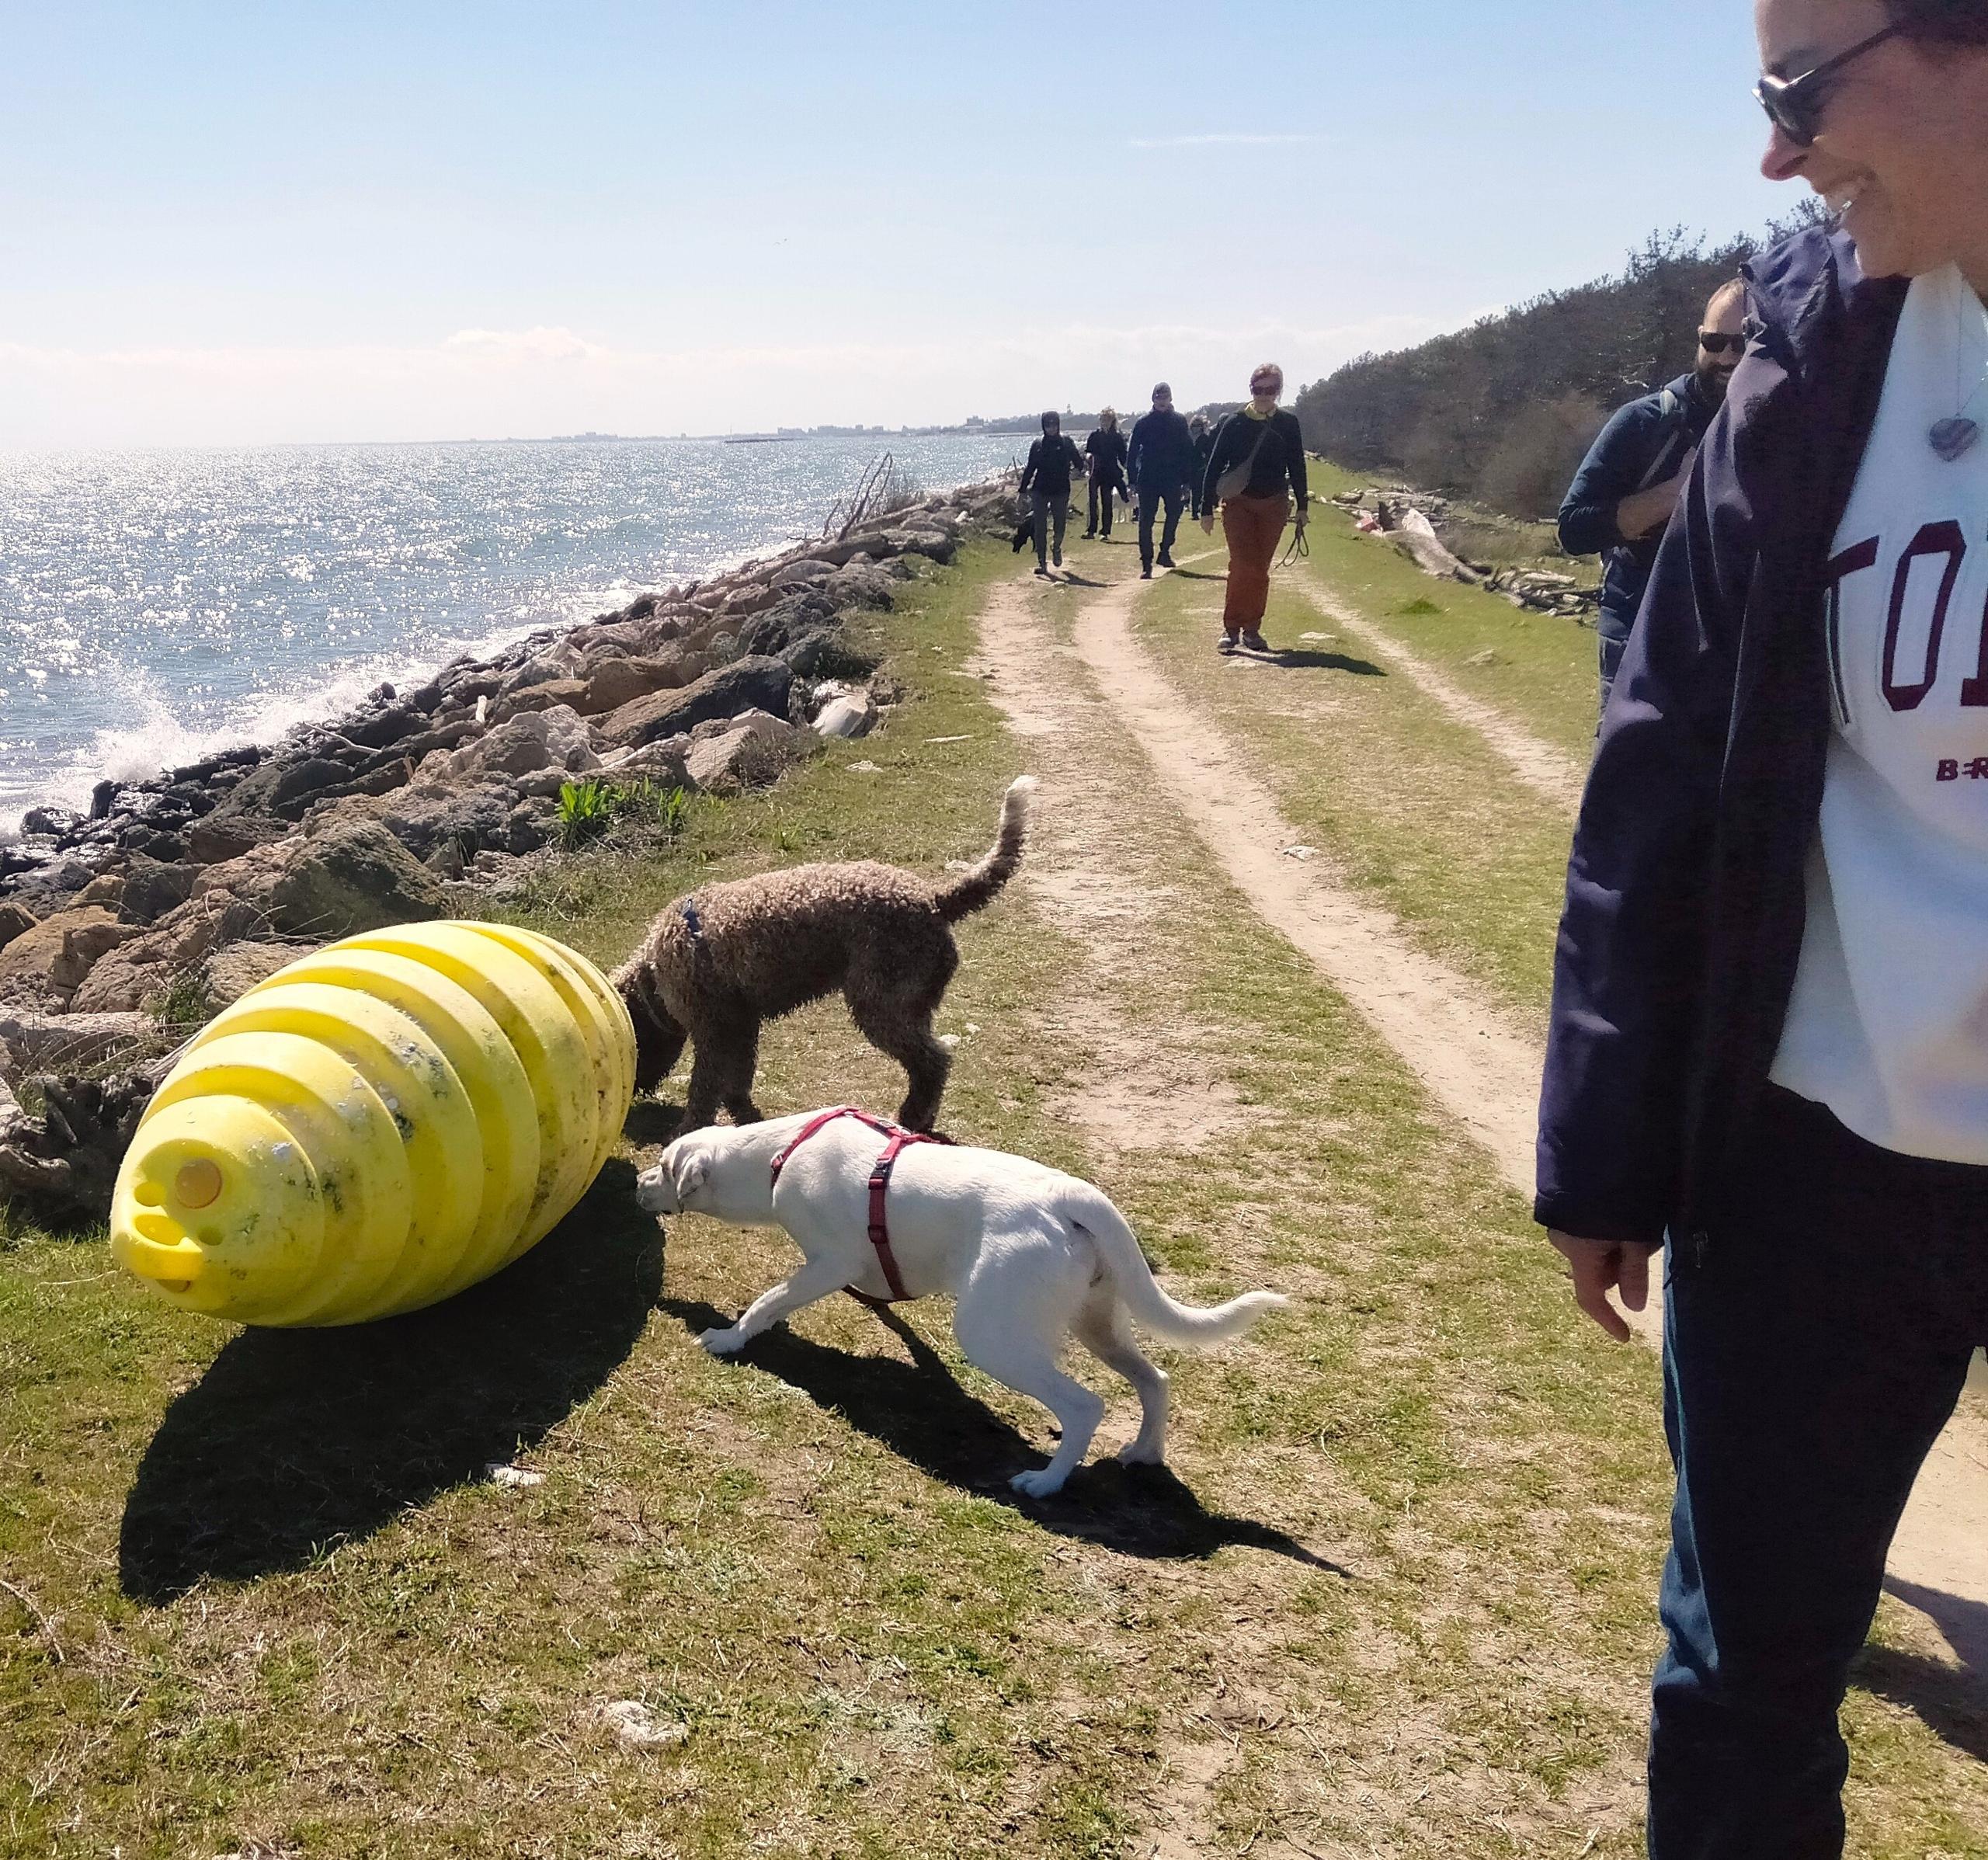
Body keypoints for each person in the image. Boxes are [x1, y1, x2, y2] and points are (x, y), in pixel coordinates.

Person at [1536, 5, 1988, 1854]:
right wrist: (1604, 1146)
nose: (1774, 157)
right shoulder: (1813, 354)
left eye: (1795, 96)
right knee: (1737, 1680)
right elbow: (1664, 762)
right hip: (1817, 1151)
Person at [1558, 280, 1750, 715]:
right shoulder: (1645, 422)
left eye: (1742, 343)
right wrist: (1673, 494)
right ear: (1699, 337)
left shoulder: (1781, 425)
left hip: (1733, 645)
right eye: (1714, 342)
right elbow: (1574, 527)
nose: (1726, 356)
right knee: (1630, 776)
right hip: (1638, 633)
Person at [1198, 364, 1309, 652]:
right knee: (1241, 565)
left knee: (1259, 569)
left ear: (1279, 391)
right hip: (1239, 503)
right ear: (1251, 390)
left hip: (1274, 503)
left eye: (1270, 390)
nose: (1263, 396)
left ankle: (1252, 629)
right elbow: (1214, 465)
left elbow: (1297, 464)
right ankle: (1231, 628)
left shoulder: (1288, 423)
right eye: (1258, 390)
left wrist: (1302, 507)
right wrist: (1206, 508)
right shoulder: (1234, 422)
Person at [1127, 382, 1197, 577]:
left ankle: (1165, 551)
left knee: (1174, 514)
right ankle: (1146, 562)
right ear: (1153, 398)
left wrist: (1187, 481)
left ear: (1171, 398)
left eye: (1165, 397)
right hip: (1148, 477)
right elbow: (1132, 452)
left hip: (1172, 477)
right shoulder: (1143, 422)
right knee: (1146, 520)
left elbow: (1187, 452)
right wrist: (1132, 480)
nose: (1162, 400)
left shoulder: (1179, 421)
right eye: (1159, 397)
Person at [1017, 412, 1085, 575]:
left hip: (1061, 490)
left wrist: (1076, 472)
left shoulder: (1066, 442)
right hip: (1040, 490)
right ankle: (1042, 562)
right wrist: (1022, 490)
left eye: (1054, 424)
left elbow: (1079, 463)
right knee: (1040, 526)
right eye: (1048, 425)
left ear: (1058, 424)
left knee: (1059, 524)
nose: (1051, 428)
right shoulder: (1038, 444)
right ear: (1043, 426)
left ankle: (1056, 547)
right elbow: (1030, 468)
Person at [1083, 408, 1129, 539]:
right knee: (1092, 501)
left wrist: (1128, 470)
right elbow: (1088, 452)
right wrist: (1088, 459)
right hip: (1095, 471)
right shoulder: (1094, 435)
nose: (1104, 422)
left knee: (1107, 501)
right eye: (1102, 420)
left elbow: (1122, 456)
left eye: (1107, 420)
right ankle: (1091, 530)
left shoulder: (1117, 437)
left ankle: (1105, 532)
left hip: (1109, 472)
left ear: (1112, 421)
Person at [1188, 412, 1215, 519]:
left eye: (1198, 426)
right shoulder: (1187, 437)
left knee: (1197, 491)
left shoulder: (1205, 438)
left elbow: (1209, 452)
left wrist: (1205, 461)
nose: (1196, 428)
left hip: (1200, 467)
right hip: (1187, 467)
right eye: (1194, 426)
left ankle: (1195, 512)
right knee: (1184, 490)